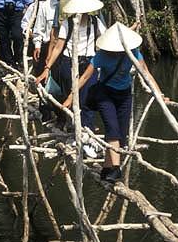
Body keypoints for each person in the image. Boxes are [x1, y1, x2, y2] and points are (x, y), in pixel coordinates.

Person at [61, 22, 168, 183]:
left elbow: (146, 75)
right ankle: (116, 170)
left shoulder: (133, 53)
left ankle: (106, 169)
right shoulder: (102, 55)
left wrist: (159, 94)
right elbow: (84, 77)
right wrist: (70, 97)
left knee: (121, 136)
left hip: (124, 95)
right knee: (112, 128)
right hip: (105, 93)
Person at [36, 0, 106, 129]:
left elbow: (107, 38)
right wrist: (47, 68)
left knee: (88, 98)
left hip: (89, 64)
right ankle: (74, 127)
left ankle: (87, 131)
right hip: (69, 63)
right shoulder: (67, 24)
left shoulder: (95, 22)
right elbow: (58, 48)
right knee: (71, 97)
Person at [31, 0, 58, 76]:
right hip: (47, 47)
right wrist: (37, 45)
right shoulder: (45, 6)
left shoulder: (71, 5)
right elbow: (39, 27)